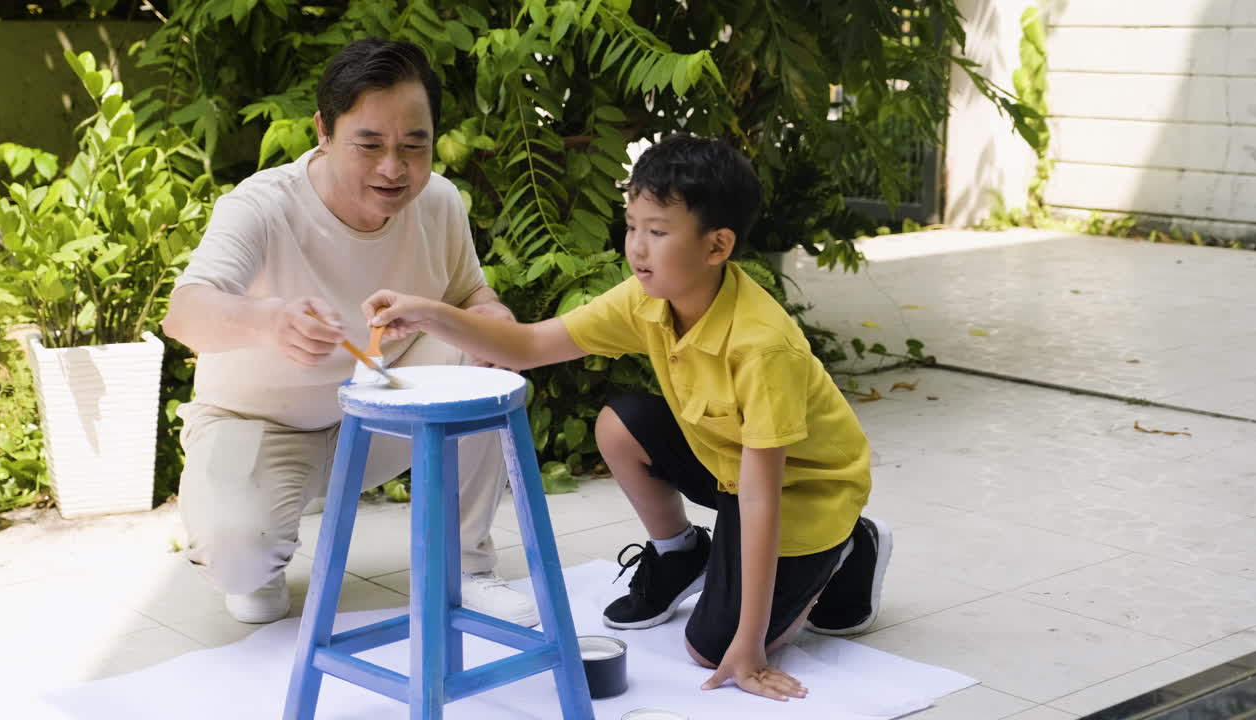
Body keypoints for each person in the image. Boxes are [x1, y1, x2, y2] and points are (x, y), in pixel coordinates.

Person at [360, 134, 893, 701]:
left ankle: (849, 546)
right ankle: (682, 553)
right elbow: (527, 345)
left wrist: (750, 643)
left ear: (717, 246)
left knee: (711, 650)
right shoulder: (649, 297)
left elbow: (763, 499)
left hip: (801, 492)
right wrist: (426, 314)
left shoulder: (762, 348)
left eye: (657, 232)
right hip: (729, 466)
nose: (636, 247)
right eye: (632, 224)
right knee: (620, 424)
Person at [161, 38, 538, 627]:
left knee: (481, 349)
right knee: (242, 567)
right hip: (261, 423)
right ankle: (256, 556)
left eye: (415, 145)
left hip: (381, 409)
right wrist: (269, 321)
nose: (395, 168)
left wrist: (497, 326)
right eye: (370, 145)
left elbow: (473, 297)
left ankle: (465, 567)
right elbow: (184, 313)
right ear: (324, 131)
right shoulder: (261, 205)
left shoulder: (438, 202)